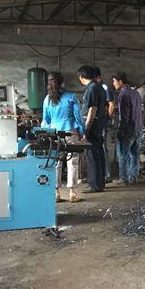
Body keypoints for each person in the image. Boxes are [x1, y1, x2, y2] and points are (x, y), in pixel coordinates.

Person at [41, 72, 84, 202]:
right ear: (62, 83)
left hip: (54, 133)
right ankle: (72, 192)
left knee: (56, 162)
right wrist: (82, 131)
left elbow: (46, 119)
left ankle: (56, 193)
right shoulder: (71, 97)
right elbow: (78, 117)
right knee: (73, 161)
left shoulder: (47, 99)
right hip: (70, 131)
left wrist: (46, 132)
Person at [78, 65, 107, 193]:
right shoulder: (99, 87)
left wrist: (86, 127)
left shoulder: (92, 88)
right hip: (99, 123)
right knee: (98, 152)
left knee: (92, 154)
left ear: (82, 77)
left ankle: (95, 184)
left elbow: (92, 108)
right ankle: (100, 183)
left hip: (93, 125)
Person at [112, 72, 143, 185]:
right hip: (138, 128)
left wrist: (121, 129)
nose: (113, 84)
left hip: (128, 129)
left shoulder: (123, 95)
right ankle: (133, 177)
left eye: (114, 81)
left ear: (120, 81)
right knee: (135, 154)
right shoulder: (136, 93)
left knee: (122, 155)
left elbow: (123, 115)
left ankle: (123, 178)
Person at [95, 67, 116, 183]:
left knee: (103, 148)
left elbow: (111, 105)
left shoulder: (104, 88)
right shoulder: (96, 87)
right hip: (97, 122)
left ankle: (107, 174)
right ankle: (99, 174)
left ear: (98, 77)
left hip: (102, 122)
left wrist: (107, 119)